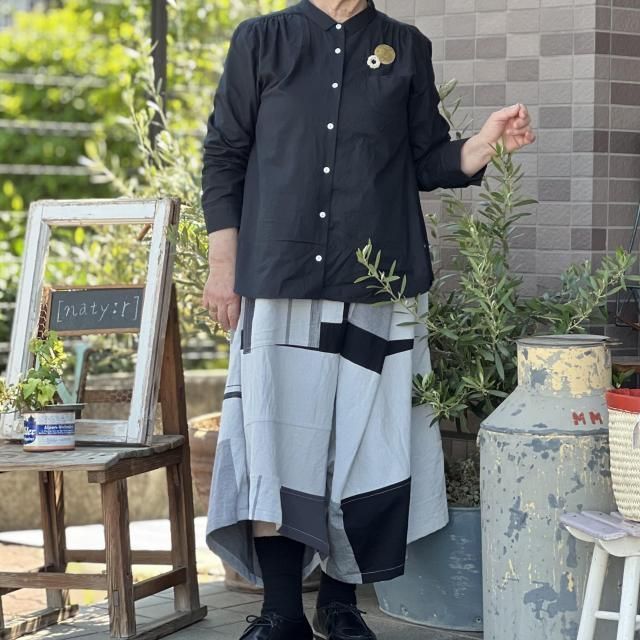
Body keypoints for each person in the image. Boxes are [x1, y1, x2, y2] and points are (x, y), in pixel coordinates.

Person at [200, 0, 535, 638]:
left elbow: (427, 159)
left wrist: (484, 143)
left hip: (379, 281)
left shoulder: (405, 46)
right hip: (280, 276)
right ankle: (280, 613)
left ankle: (341, 603)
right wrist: (224, 265)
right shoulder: (262, 40)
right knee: (277, 445)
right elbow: (224, 155)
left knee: (366, 448)